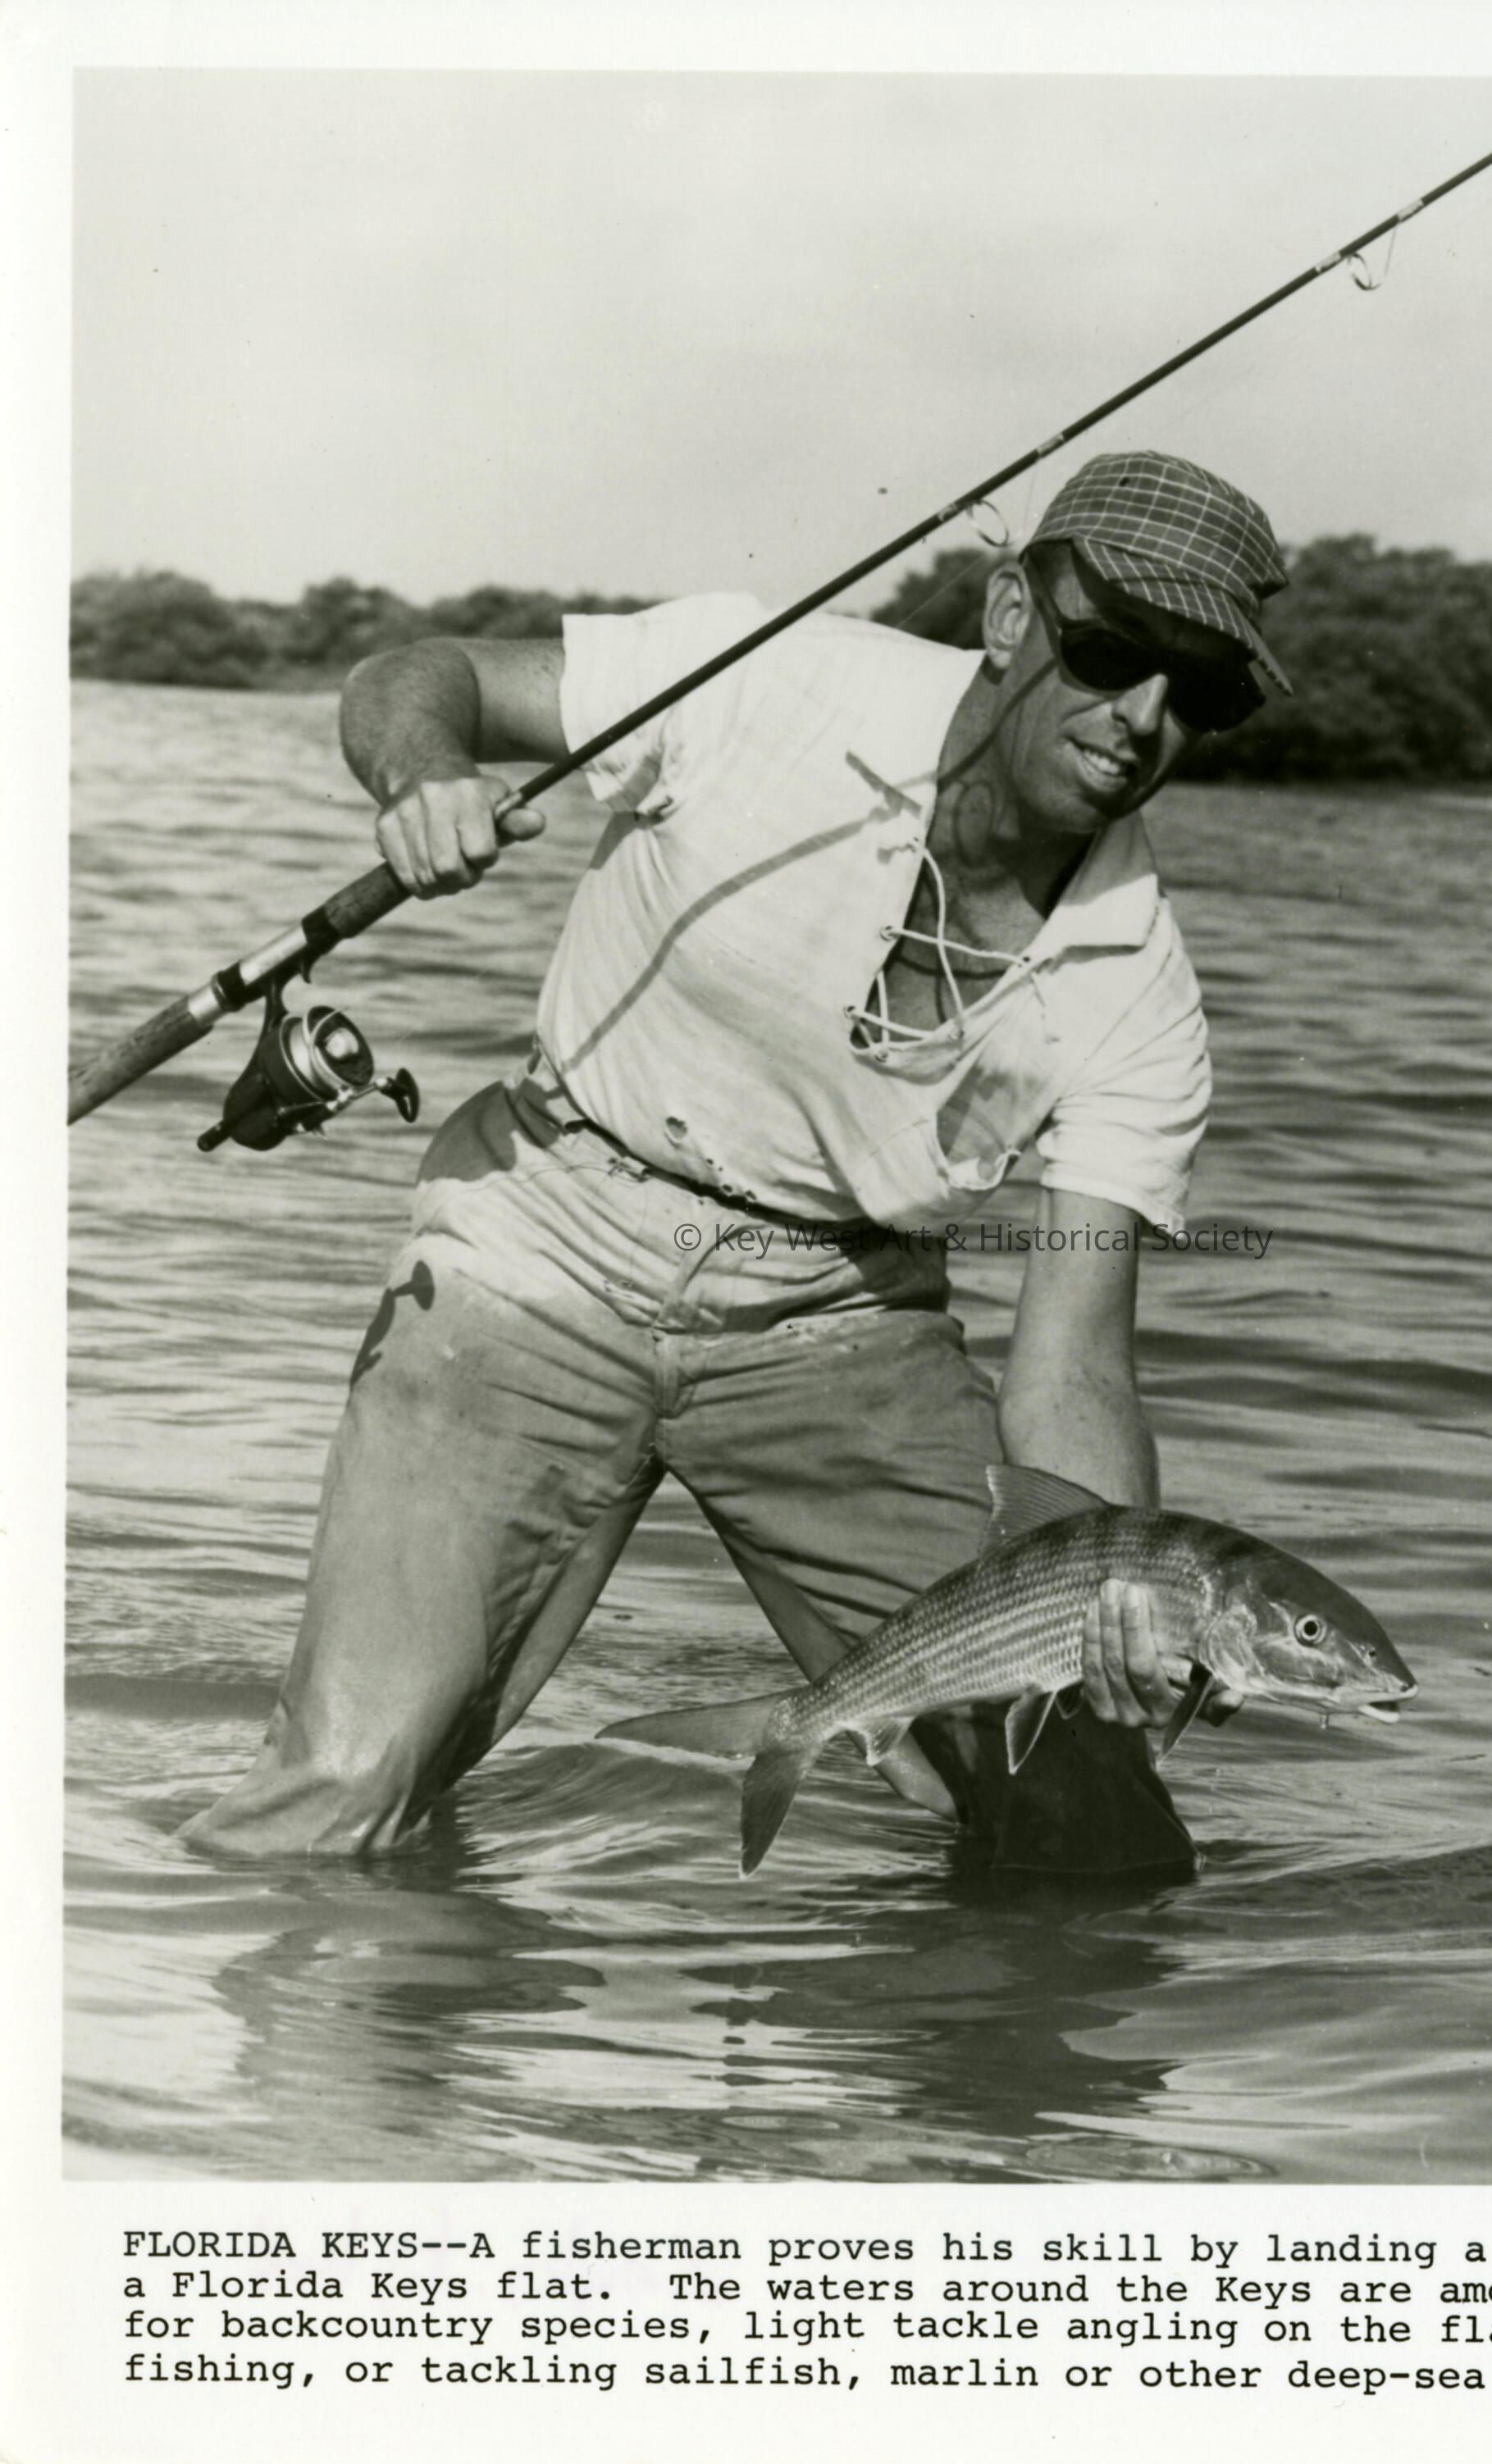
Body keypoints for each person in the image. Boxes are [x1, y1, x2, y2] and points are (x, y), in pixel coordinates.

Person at [181, 449, 1292, 1861]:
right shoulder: (764, 678)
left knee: (1095, 1843)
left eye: (1198, 693)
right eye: (1114, 651)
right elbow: (421, 673)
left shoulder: (1141, 993)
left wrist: (1125, 1603)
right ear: (1012, 615)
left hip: (841, 1324)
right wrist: (425, 777)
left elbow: (1071, 1362)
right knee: (341, 1798)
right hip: (543, 1252)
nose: (1141, 719)